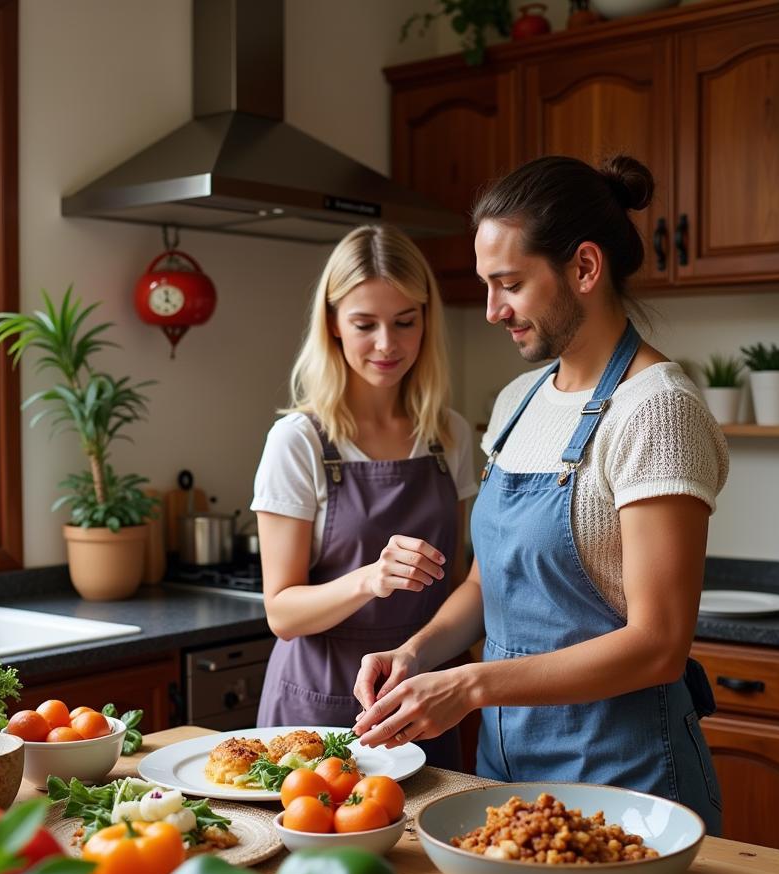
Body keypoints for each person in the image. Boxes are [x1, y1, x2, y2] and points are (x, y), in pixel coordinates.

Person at [352, 155, 729, 834]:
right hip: (508, 775)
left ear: (584, 269)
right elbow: (486, 583)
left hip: (628, 785)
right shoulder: (517, 402)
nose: (494, 310)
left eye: (511, 285)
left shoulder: (657, 410)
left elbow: (658, 644)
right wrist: (418, 652)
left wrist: (469, 686)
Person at [251, 224, 478, 769]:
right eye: (364, 324)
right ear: (332, 324)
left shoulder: (450, 436)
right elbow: (281, 611)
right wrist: (370, 580)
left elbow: (463, 581)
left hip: (422, 698)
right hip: (319, 703)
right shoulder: (299, 441)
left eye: (405, 322)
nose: (387, 344)